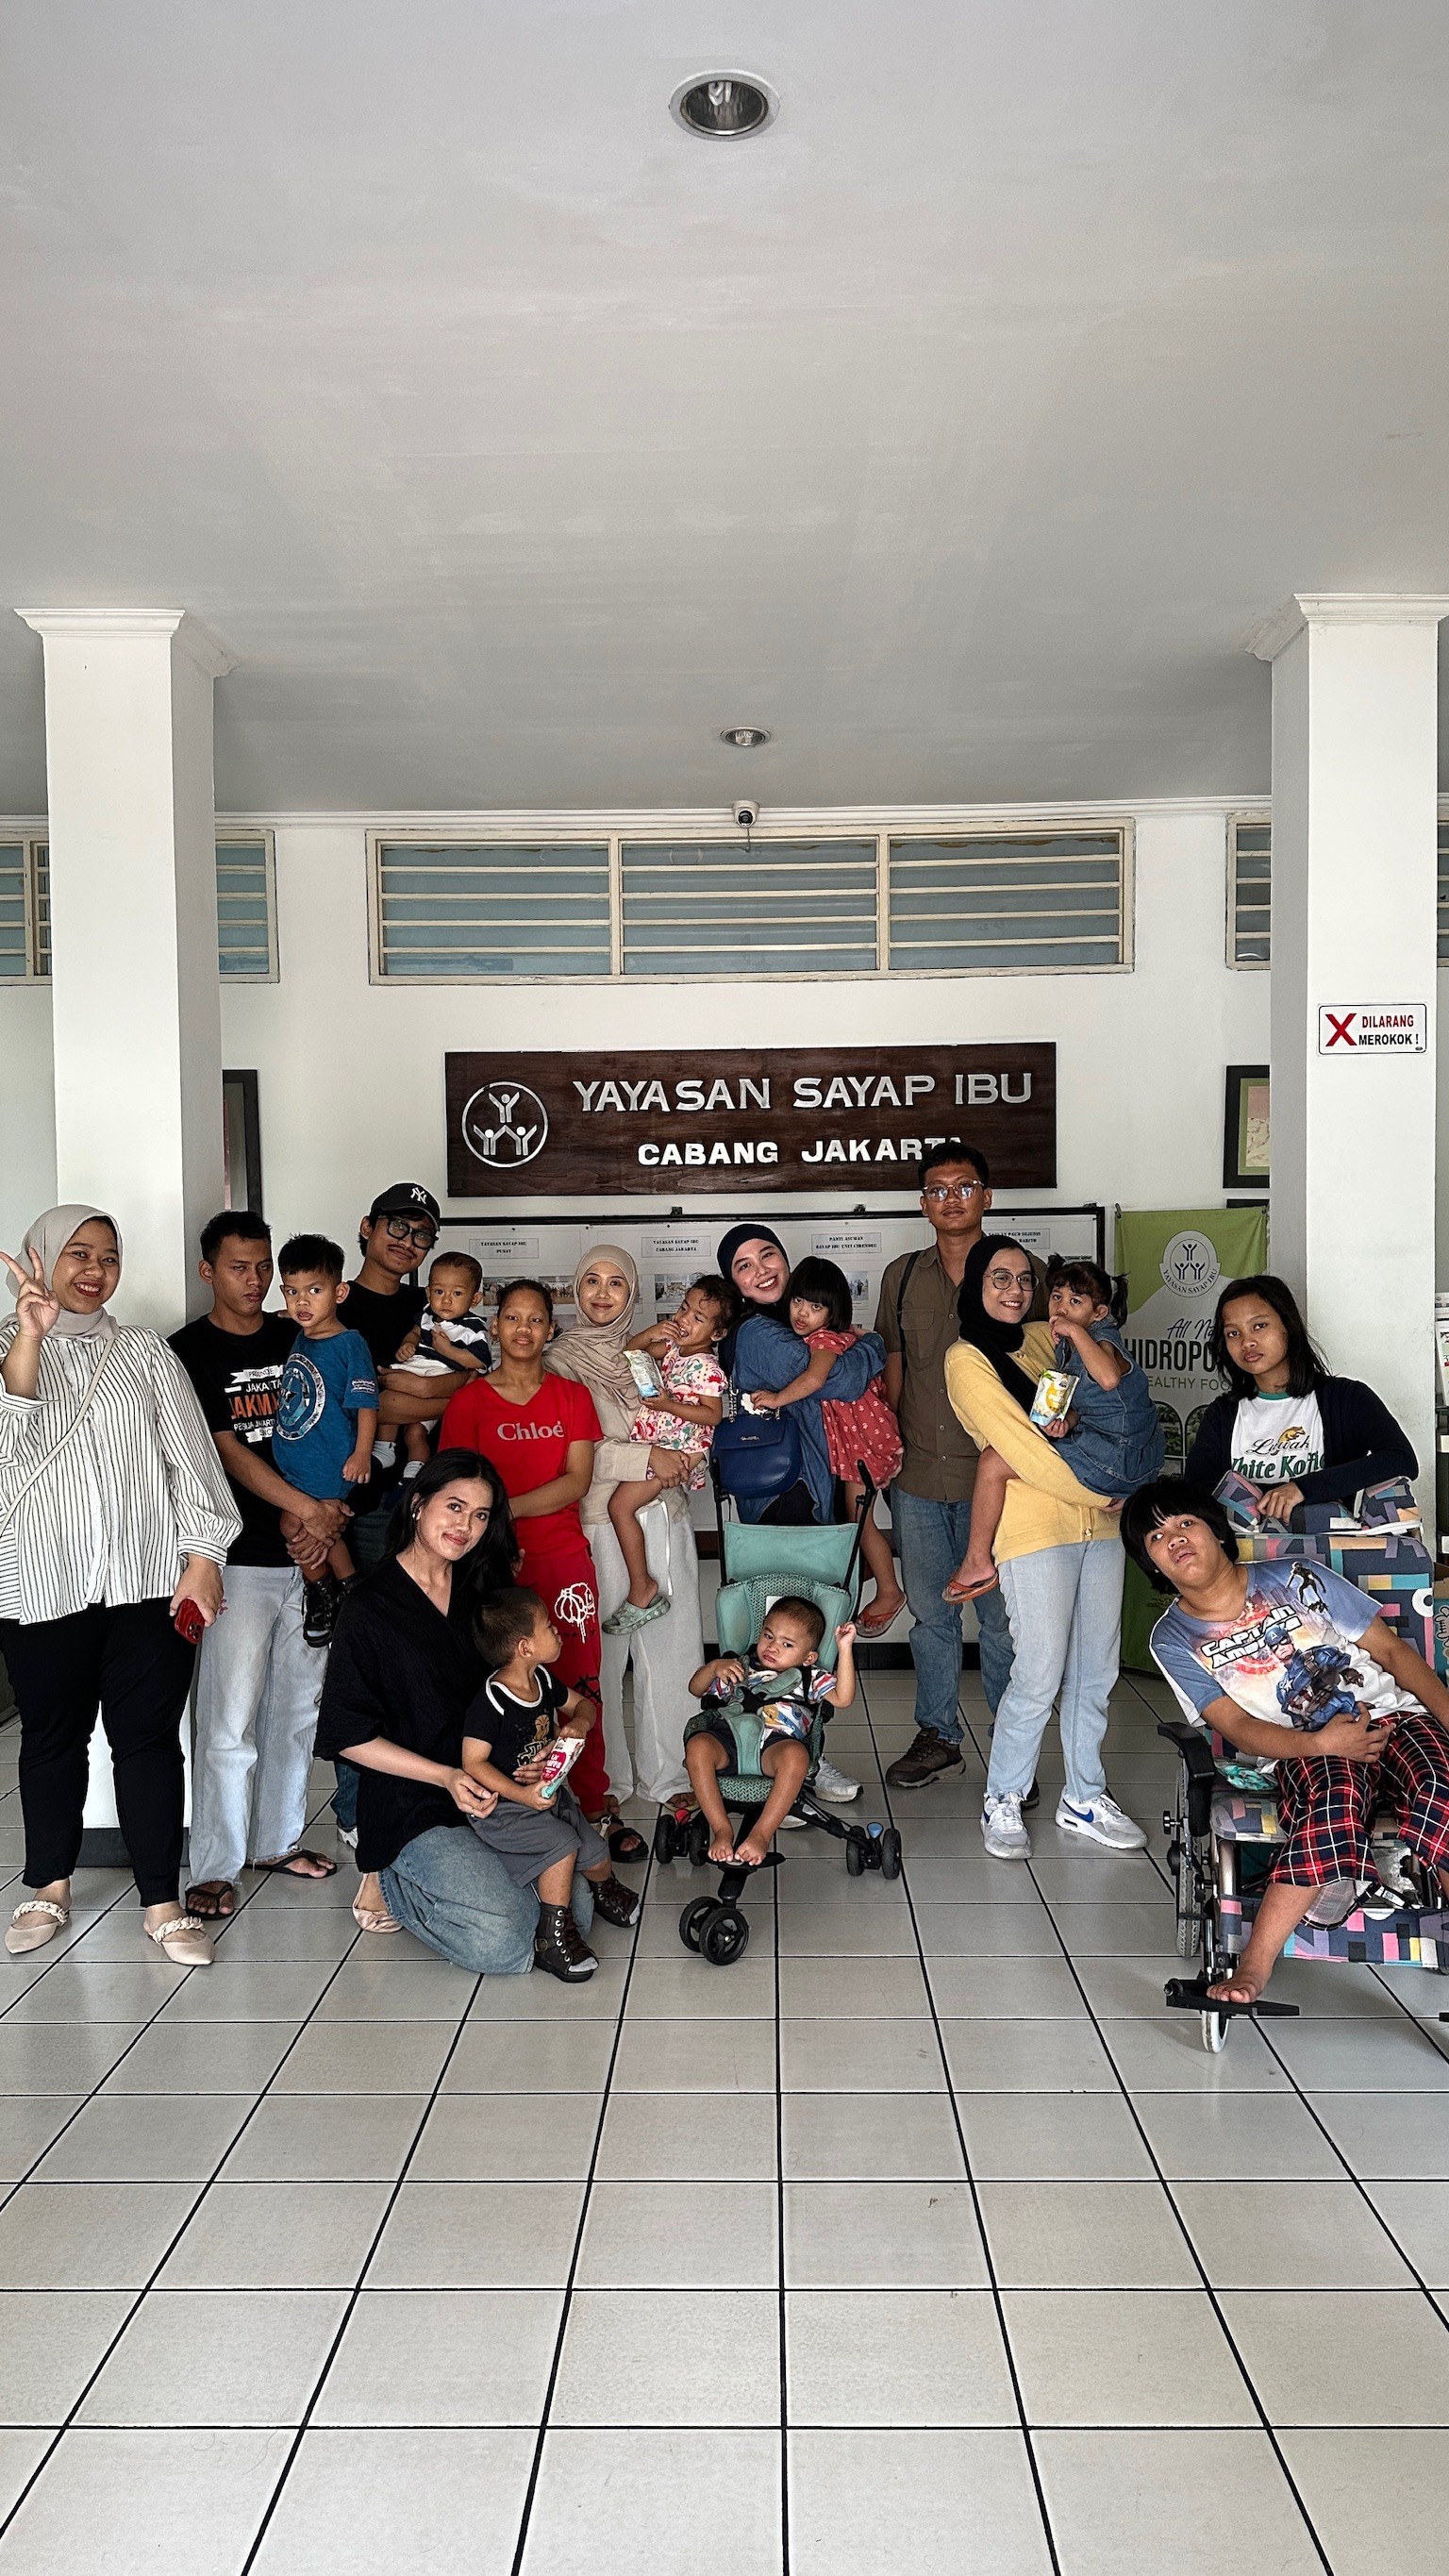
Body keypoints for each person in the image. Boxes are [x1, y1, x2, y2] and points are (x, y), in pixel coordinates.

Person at [0, 1206, 241, 1966]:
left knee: (146, 1743)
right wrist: (30, 1336)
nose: (94, 1269)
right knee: (51, 1741)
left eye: (108, 1255)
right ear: (41, 1258)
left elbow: (194, 1463)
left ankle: (162, 1904)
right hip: (43, 1584)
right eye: (77, 1253)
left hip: (147, 1586)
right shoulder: (8, 1351)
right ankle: (47, 1885)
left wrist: (203, 1558)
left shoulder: (144, 1353)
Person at [1124, 1478, 1449, 2006]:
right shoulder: (1173, 1638)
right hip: (1304, 1746)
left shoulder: (1296, 1576)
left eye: (1187, 1522)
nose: (1177, 1539)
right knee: (1335, 1801)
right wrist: (1322, 1745)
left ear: (1217, 1532)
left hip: (1395, 1717)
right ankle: (1254, 1965)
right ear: (1150, 1561)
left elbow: (1395, 1656)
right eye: (1158, 1536)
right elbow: (1234, 1726)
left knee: (1442, 1785)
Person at [315, 1449, 599, 1967]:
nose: (465, 1525)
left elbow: (526, 1690)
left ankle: (466, 1885)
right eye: (454, 1506)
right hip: (415, 1798)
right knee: (506, 1943)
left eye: (481, 1515)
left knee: (575, 1910)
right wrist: (447, 1777)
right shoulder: (369, 1604)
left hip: (495, 1791)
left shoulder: (485, 1594)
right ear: (418, 1504)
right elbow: (347, 1733)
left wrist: (540, 1750)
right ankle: (388, 1875)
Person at [945, 1234, 1144, 1862]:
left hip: (1101, 1529)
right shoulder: (964, 1357)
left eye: (1024, 1280)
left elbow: (1078, 1410)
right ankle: (1004, 1794)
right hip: (1037, 1529)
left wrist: (1079, 1432)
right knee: (1037, 1670)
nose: (1017, 1291)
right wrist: (1107, 1493)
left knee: (1096, 1672)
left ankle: (1085, 1794)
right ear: (976, 1285)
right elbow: (1015, 1446)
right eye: (999, 1278)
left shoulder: (1051, 1338)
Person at [170, 1211, 342, 1919]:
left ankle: (274, 1841)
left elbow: (333, 1425)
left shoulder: (296, 1334)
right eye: (239, 1267)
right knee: (227, 1719)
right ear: (208, 1270)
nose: (257, 1280)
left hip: (310, 1556)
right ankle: (214, 1863)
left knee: (298, 1710)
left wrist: (323, 1521)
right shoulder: (187, 1350)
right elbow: (223, 1449)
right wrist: (308, 1510)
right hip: (234, 1558)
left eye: (264, 1265)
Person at [440, 1278, 644, 1860]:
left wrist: (502, 1512)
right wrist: (496, 1535)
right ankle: (510, 1803)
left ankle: (595, 1803)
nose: (523, 1329)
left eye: (535, 1319)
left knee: (579, 1681)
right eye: (511, 1318)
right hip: (488, 1565)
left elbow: (576, 1483)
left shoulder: (570, 1396)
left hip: (560, 1556)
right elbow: (457, 1485)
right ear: (495, 1326)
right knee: (497, 1688)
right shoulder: (470, 1401)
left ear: (549, 1329)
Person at [715, 1219, 885, 1807]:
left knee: (804, 1637)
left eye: (769, 1255)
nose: (761, 1268)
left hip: (804, 1492)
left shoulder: (794, 1323)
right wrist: (876, 1344)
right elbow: (836, 1380)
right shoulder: (763, 1334)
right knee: (794, 1632)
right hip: (788, 1496)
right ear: (734, 1284)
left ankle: (800, 1760)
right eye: (744, 1264)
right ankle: (779, 1766)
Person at [874, 1145, 1027, 1790]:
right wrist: (887, 1448)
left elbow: (1045, 1367)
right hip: (918, 1475)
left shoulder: (1023, 1272)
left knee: (999, 1623)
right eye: (938, 1189)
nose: (952, 1198)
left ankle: (1009, 1745)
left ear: (987, 1196)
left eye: (965, 1186)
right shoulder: (902, 1274)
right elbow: (894, 1363)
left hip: (1002, 1481)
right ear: (923, 1204)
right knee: (933, 1617)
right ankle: (938, 1735)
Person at [545, 1246, 699, 1815]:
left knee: (674, 1647)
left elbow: (682, 1414)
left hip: (667, 1510)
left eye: (616, 1283)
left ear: (632, 1292)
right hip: (598, 1518)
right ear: (575, 1290)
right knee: (601, 1655)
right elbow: (572, 1448)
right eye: (591, 1281)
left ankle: (674, 1774)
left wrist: (685, 1457)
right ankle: (601, 1780)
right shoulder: (560, 1359)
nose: (603, 1294)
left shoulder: (656, 1352)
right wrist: (647, 1458)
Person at [945, 1254, 1163, 1600]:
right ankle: (976, 1560)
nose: (1061, 1308)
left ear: (1099, 1313)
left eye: (1075, 1301)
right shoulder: (971, 1355)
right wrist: (1067, 1421)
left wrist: (1074, 1331)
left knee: (992, 1461)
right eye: (1057, 1297)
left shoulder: (1087, 1339)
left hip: (1115, 1468)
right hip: (1061, 1513)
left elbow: (1106, 1380)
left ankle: (976, 1559)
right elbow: (1080, 1402)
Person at [461, 1586, 641, 1981]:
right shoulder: (492, 1700)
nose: (558, 1630)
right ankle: (551, 1939)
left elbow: (584, 1706)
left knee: (594, 1850)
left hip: (547, 1795)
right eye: (548, 1625)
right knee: (562, 1847)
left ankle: (603, 1888)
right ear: (525, 1647)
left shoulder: (542, 1678)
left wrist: (576, 1724)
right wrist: (520, 1793)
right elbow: (472, 1762)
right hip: (504, 1808)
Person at [748, 1256, 905, 1628]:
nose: (802, 1312)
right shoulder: (842, 1336)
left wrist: (775, 1398)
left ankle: (889, 1590)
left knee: (859, 1520)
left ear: (832, 1311)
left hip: (865, 1447)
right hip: (861, 1442)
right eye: (798, 1301)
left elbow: (816, 1380)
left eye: (816, 1306)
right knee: (854, 1517)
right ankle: (868, 1570)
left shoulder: (823, 1340)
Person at [1186, 1274, 1417, 1521]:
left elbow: (1401, 1459)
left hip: (1328, 1553)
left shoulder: (1346, 1398)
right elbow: (1194, 1490)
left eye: (1259, 1326)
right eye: (1233, 1333)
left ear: (1288, 1326)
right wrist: (1273, 1496)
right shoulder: (1222, 1413)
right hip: (1242, 1556)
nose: (1247, 1342)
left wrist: (1304, 1488)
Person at [343, 1184, 468, 1573]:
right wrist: (436, 1391)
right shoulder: (334, 1305)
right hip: (365, 1502)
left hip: (436, 1498)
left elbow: (472, 1382)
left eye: (421, 1235)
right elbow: (361, 1408)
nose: (407, 1242)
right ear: (367, 1227)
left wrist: (422, 1387)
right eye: (397, 1226)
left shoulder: (431, 1307)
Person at [603, 1274, 731, 1632]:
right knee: (621, 1507)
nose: (684, 1320)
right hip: (664, 1443)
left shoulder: (707, 1367)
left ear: (717, 1334)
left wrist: (669, 1404)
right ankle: (642, 1585)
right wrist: (654, 1332)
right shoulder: (675, 1349)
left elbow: (713, 1415)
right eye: (683, 1308)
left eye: (698, 1318)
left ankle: (643, 1589)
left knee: (619, 1507)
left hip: (681, 1450)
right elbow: (632, 1352)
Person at [687, 1599, 858, 1866]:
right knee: (697, 1745)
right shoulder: (739, 1666)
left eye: (787, 1644)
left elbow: (844, 1698)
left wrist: (844, 1650)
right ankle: (721, 1829)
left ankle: (761, 1834)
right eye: (768, 1636)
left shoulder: (809, 1677)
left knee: (796, 1756)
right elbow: (696, 1689)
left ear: (808, 1657)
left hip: (775, 1747)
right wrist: (712, 1668)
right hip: (728, 1738)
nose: (773, 1647)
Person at [273, 1233, 378, 1640]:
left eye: (314, 1291)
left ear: (340, 1292)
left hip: (331, 1462)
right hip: (298, 1466)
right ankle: (341, 1588)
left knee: (292, 1524)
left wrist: (363, 1454)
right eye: (293, 1292)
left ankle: (333, 1587)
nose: (302, 1302)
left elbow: (366, 1405)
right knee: (300, 1525)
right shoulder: (301, 1334)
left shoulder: (350, 1343)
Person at [389, 1249, 491, 1474]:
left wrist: (448, 1350)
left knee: (391, 1390)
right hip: (418, 1368)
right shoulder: (426, 1314)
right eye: (438, 1291)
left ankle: (407, 1468)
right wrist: (408, 1344)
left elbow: (479, 1361)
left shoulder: (473, 1328)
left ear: (474, 1299)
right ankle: (392, 1455)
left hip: (441, 1375)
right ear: (428, 1293)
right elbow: (415, 1333)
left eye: (456, 1293)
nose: (446, 1300)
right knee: (406, 1426)